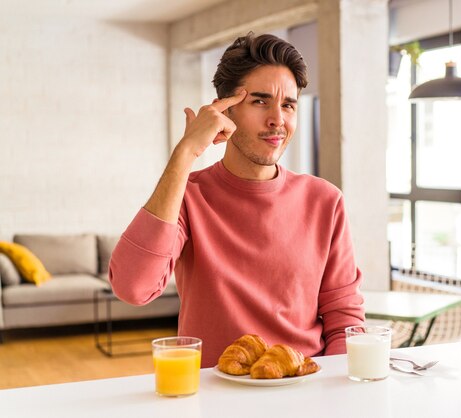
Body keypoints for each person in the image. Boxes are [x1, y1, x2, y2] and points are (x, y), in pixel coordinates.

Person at [109, 33, 364, 368]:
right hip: (215, 397)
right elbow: (133, 288)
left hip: (306, 389)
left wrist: (339, 394)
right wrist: (186, 153)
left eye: (288, 105)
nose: (278, 120)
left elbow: (344, 315)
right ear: (224, 110)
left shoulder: (325, 200)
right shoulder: (187, 198)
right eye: (260, 101)